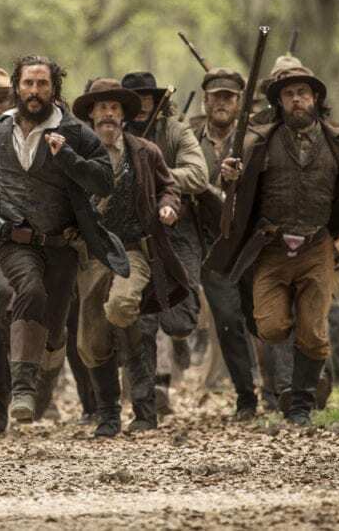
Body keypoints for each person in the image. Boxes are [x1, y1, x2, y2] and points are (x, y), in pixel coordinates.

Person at [212, 58, 339, 426]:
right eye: (289, 94)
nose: (296, 100)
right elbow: (232, 181)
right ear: (279, 102)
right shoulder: (257, 141)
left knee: (315, 334)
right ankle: (293, 373)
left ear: (315, 98)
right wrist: (229, 175)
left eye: (302, 93)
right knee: (271, 327)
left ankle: (301, 404)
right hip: (271, 248)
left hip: (317, 247)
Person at [0, 55, 127, 425]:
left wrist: (69, 158)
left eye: (42, 84)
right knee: (29, 291)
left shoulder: (75, 132)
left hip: (62, 245)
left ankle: (42, 384)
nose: (34, 92)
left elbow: (104, 182)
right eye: (28, 84)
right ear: (17, 87)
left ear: (54, 89)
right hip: (15, 240)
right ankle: (22, 388)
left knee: (55, 332)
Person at [71, 79, 188, 436]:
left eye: (114, 108)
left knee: (124, 310)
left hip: (133, 250)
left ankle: (144, 411)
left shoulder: (145, 151)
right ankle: (108, 415)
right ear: (91, 114)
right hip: (91, 257)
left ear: (124, 115)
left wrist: (168, 208)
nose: (108, 114)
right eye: (101, 108)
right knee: (91, 342)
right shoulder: (74, 152)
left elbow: (170, 186)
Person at [121, 71, 209, 414]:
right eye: (135, 99)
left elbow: (199, 175)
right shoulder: (113, 133)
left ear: (158, 100)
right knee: (140, 320)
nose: (142, 105)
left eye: (148, 98)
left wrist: (152, 177)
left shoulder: (176, 130)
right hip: (132, 236)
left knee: (179, 322)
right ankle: (145, 405)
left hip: (178, 232)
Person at [190, 68, 260, 419]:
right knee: (229, 319)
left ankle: (282, 391)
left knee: (262, 318)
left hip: (252, 242)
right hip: (209, 245)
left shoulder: (255, 140)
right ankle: (247, 396)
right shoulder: (189, 138)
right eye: (216, 96)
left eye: (229, 97)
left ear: (239, 103)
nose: (221, 103)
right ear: (205, 99)